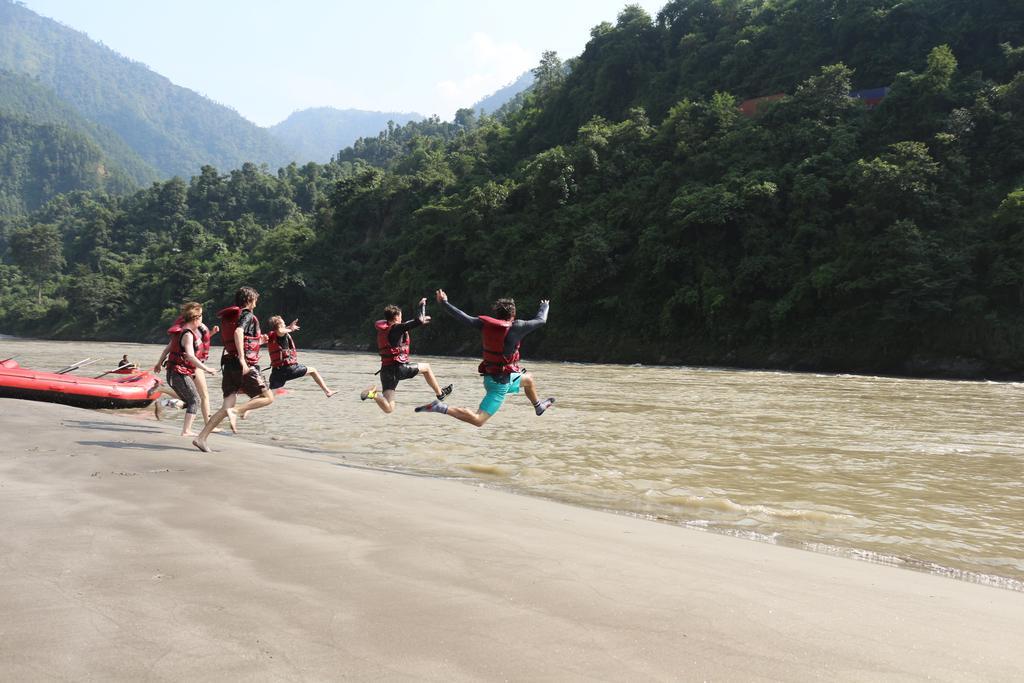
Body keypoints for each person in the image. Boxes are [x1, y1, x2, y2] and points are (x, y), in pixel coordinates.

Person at [415, 290, 554, 426]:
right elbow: (541, 319)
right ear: (513, 314)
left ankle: (538, 406)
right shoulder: (518, 327)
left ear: (497, 314)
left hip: (495, 377)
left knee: (528, 379)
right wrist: (544, 306)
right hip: (499, 386)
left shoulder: (484, 324)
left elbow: (463, 317)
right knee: (478, 420)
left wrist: (444, 303)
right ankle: (440, 407)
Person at [193, 286, 273, 452]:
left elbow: (241, 340)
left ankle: (201, 438)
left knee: (225, 406)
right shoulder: (247, 316)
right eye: (255, 301)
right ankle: (236, 412)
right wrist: (243, 360)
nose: (256, 305)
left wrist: (259, 343)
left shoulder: (232, 317)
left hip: (229, 363)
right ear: (250, 300)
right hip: (242, 364)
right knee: (268, 397)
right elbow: (238, 333)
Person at [361, 297, 452, 414]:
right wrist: (421, 307)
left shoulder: (386, 329)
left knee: (389, 408)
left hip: (385, 371)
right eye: (400, 316)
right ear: (396, 317)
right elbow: (417, 321)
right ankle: (440, 394)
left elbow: (410, 323)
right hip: (398, 369)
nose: (401, 318)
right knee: (427, 367)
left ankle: (373, 395)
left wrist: (420, 317)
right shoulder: (396, 329)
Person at [161, 302, 218, 436]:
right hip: (179, 373)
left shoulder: (184, 331)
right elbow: (191, 357)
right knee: (195, 400)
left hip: (178, 372)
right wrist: (207, 369)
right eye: (201, 316)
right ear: (195, 318)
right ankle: (186, 430)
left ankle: (163, 402)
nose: (202, 319)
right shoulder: (187, 334)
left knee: (191, 399)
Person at [266, 315, 336, 397]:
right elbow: (281, 330)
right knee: (313, 371)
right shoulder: (281, 333)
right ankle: (327, 391)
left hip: (277, 372)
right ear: (279, 325)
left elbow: (280, 331)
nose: (285, 324)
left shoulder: (273, 335)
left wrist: (289, 327)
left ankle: (248, 408)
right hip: (288, 369)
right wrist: (291, 329)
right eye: (283, 323)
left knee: (268, 396)